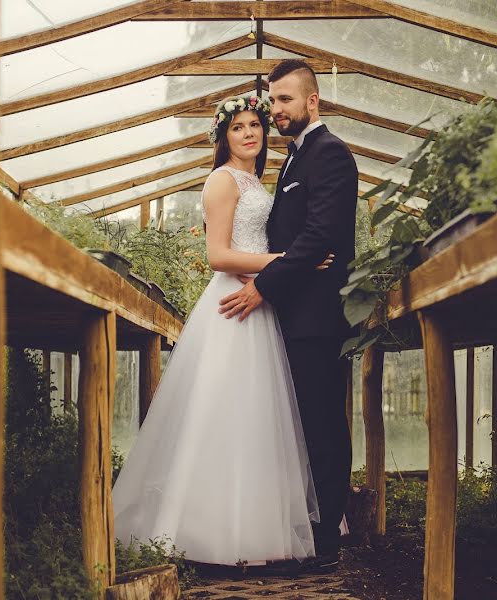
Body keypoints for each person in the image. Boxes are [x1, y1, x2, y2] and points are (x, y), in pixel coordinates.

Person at [111, 94, 331, 567]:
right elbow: (217, 255)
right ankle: (204, 530)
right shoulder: (221, 180)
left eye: (256, 124)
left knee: (254, 418)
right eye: (238, 127)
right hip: (231, 306)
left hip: (259, 303)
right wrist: (288, 262)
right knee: (221, 413)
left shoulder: (254, 180)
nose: (250, 132)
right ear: (223, 137)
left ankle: (255, 529)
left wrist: (277, 273)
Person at [218, 59, 358, 570]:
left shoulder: (330, 155)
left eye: (283, 101)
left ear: (311, 101)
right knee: (301, 426)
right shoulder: (294, 161)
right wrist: (279, 269)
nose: (274, 110)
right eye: (271, 101)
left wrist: (263, 287)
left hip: (318, 318)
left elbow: (319, 237)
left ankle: (327, 541)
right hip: (291, 315)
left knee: (322, 425)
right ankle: (308, 527)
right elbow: (292, 241)